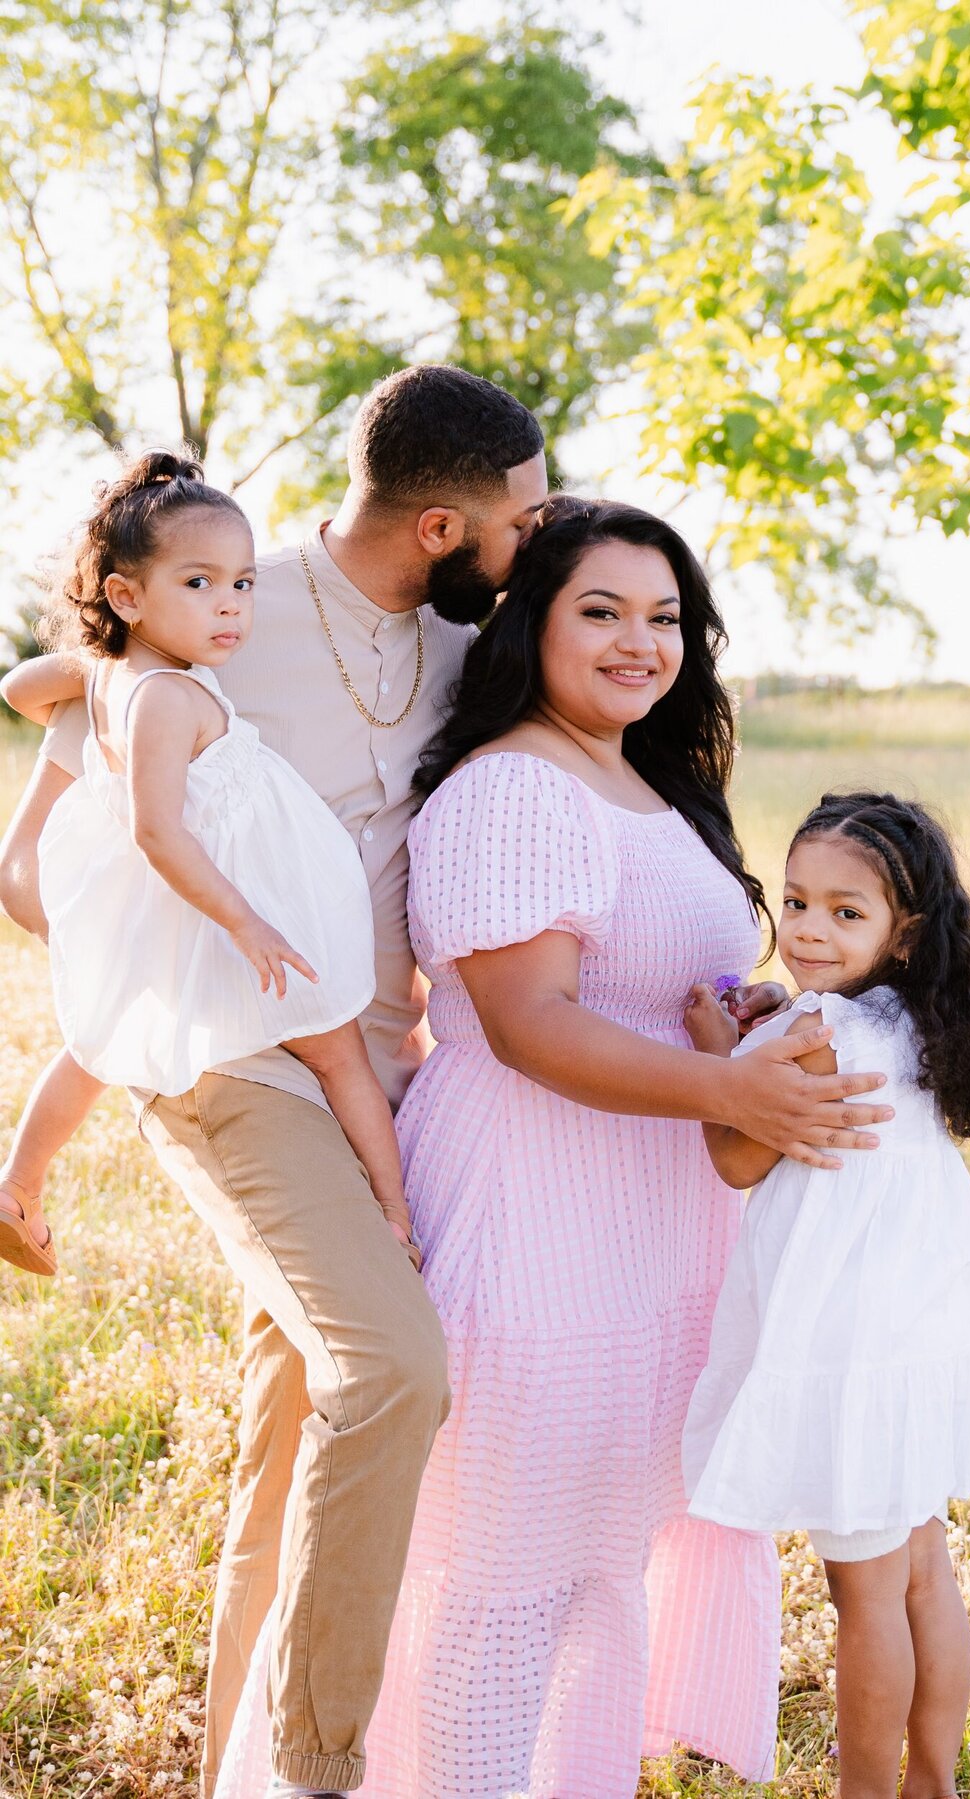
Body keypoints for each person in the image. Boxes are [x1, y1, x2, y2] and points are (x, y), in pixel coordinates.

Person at [211, 496, 899, 1799]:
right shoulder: (515, 784)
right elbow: (529, 1026)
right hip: (534, 1224)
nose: (642, 640)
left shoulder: (639, 781)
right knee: (497, 1586)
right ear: (532, 624)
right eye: (603, 609)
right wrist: (735, 1090)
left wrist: (740, 1025)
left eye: (666, 616)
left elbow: (643, 990)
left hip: (644, 1239)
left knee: (598, 1579)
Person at [0, 364, 551, 1799]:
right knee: (390, 1369)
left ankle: (231, 1770)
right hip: (238, 1061)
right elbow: (40, 831)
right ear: (444, 522)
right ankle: (314, 1767)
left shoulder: (454, 655)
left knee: (298, 1413)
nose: (537, 543)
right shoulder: (219, 604)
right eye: (525, 518)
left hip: (380, 1069)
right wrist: (171, 958)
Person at [681, 791, 970, 1799]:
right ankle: (933, 1780)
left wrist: (714, 1045)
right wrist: (772, 1018)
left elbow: (737, 1154)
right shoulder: (914, 1020)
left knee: (865, 1597)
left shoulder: (822, 1024)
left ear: (903, 930)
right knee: (924, 1571)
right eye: (794, 902)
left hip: (842, 1352)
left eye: (845, 911)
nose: (806, 930)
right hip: (913, 1337)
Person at [0, 449, 419, 1280]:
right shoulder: (161, 695)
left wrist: (93, 661)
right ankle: (396, 1217)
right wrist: (247, 921)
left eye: (242, 583)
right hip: (223, 902)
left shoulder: (122, 674)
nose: (229, 606)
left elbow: (19, 686)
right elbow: (159, 830)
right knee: (340, 1050)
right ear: (125, 595)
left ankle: (20, 1183)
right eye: (199, 584)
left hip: (177, 901)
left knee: (96, 1041)